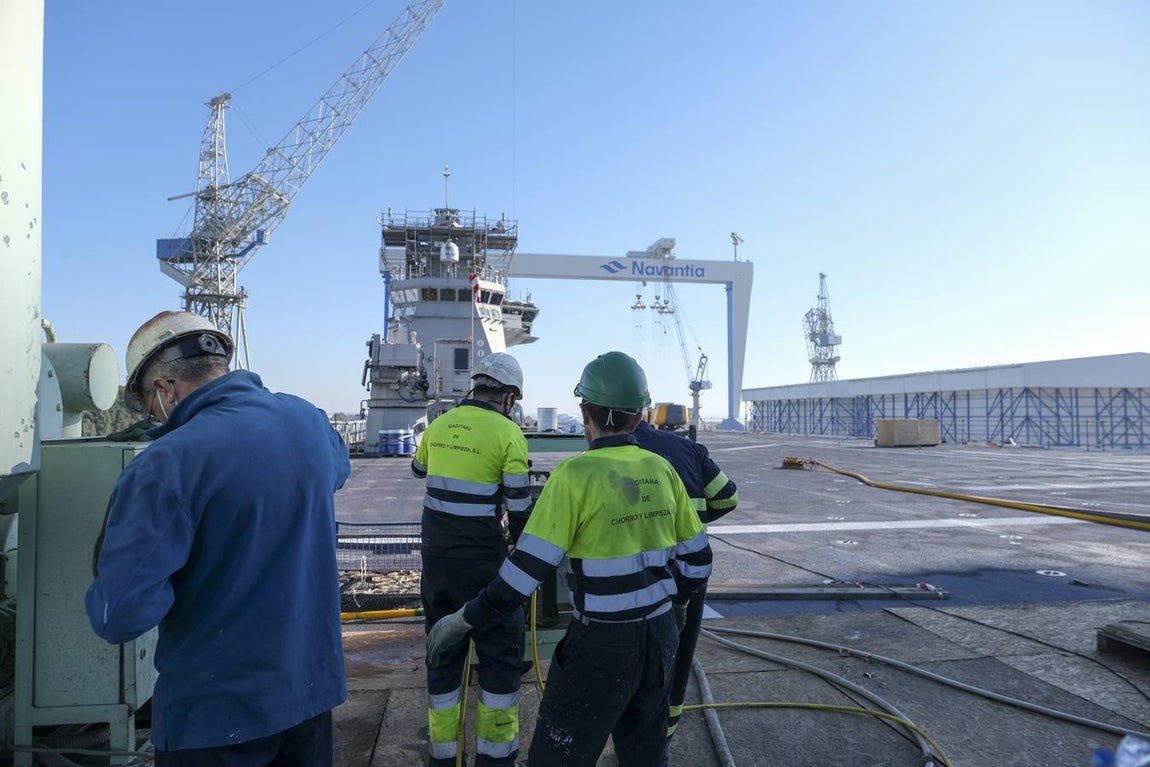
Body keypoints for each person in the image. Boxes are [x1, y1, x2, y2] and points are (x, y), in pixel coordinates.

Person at [85, 310, 351, 766]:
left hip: (213, 718)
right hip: (308, 698)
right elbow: (337, 470)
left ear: (164, 389)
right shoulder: (308, 421)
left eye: (151, 406)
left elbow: (121, 615)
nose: (155, 417)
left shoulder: (165, 463)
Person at [427, 351, 714, 767]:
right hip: (660, 639)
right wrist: (678, 607)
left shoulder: (573, 477)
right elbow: (699, 563)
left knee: (558, 754)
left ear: (584, 412)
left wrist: (464, 618)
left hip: (600, 645)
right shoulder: (663, 471)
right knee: (645, 754)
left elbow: (523, 576)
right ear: (639, 418)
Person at [411, 352, 532, 767]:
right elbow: (518, 507)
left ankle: (443, 757)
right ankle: (495, 758)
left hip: (437, 564)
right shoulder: (509, 433)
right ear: (508, 397)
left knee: (443, 652)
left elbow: (417, 468)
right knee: (500, 657)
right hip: (483, 565)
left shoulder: (438, 424)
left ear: (476, 386)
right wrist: (521, 555)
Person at [632, 416, 738, 751]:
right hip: (687, 576)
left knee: (631, 661)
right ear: (644, 414)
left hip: (636, 575)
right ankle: (662, 739)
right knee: (677, 662)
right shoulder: (688, 448)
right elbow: (727, 498)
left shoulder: (612, 453)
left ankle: (630, 740)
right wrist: (694, 520)